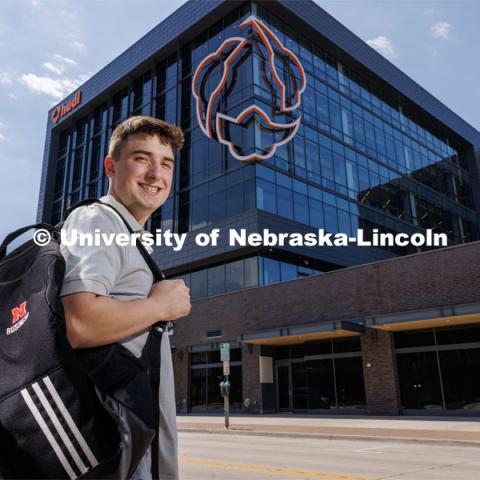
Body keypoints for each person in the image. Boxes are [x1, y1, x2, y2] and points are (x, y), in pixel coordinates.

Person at [60, 115, 191, 479]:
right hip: (110, 442)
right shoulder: (97, 221)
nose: (155, 173)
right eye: (141, 158)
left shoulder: (127, 234)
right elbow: (81, 322)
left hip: (130, 442)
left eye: (165, 163)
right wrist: (160, 306)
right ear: (110, 166)